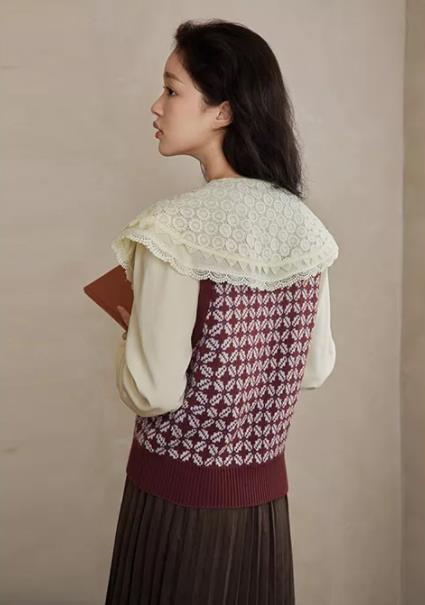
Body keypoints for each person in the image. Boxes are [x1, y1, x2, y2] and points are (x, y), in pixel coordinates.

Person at [104, 18, 338, 605]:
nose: (156, 105)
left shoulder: (171, 230)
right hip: (264, 511)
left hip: (176, 505)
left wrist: (133, 329)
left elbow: (153, 390)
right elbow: (314, 369)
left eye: (172, 89)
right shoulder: (305, 227)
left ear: (224, 111)